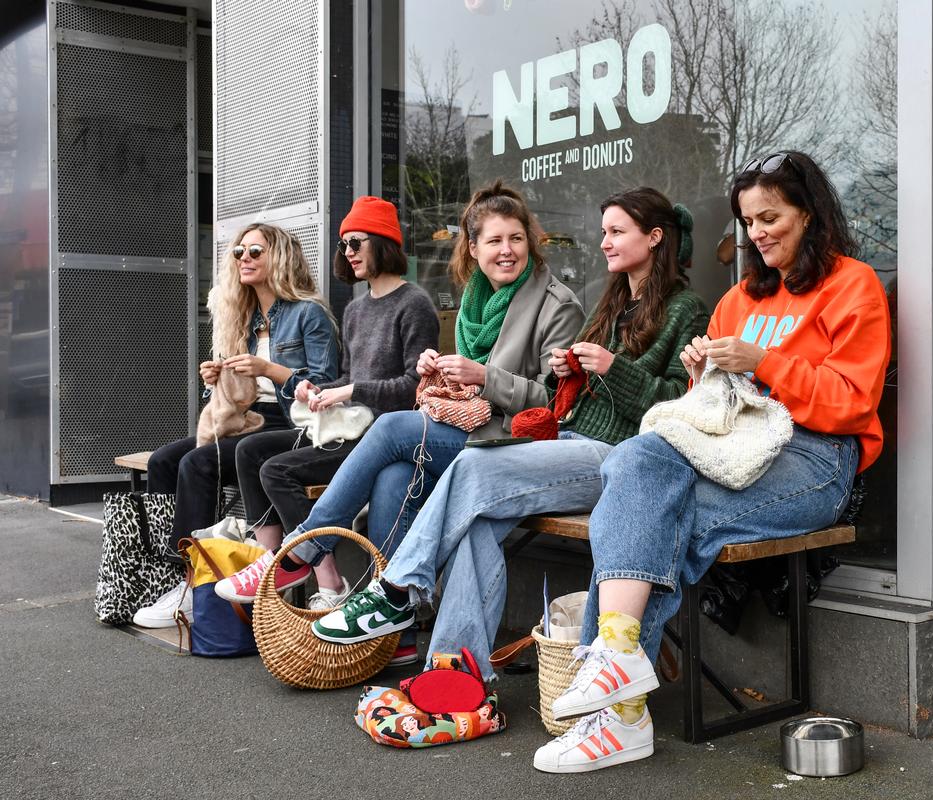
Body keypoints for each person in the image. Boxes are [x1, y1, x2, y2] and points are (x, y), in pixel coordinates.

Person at [530, 151, 891, 773]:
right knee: (640, 467)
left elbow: (852, 403)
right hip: (731, 449)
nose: (758, 233)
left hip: (816, 460)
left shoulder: (852, 284)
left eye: (771, 217)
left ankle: (617, 717)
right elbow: (703, 407)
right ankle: (617, 672)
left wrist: (763, 362)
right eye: (749, 221)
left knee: (639, 511)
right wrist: (702, 378)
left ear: (810, 214)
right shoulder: (740, 298)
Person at [306, 187, 710, 682]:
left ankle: (395, 591)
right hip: (569, 441)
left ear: (654, 238)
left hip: (622, 459)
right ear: (473, 248)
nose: (603, 242)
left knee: (461, 462)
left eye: (615, 232)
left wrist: (608, 368)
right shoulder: (613, 300)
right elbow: (570, 400)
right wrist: (572, 374)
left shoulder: (687, 308)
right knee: (470, 519)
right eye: (604, 232)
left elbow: (677, 404)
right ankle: (455, 675)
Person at [214, 182, 584, 628]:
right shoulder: (474, 299)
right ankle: (395, 626)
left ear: (530, 240)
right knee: (393, 476)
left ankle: (303, 549)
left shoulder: (556, 304)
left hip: (516, 445)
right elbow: (437, 384)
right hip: (469, 428)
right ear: (473, 247)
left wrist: (483, 377)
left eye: (516, 239)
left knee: (389, 431)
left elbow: (559, 405)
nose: (506, 251)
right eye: (494, 241)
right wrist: (441, 371)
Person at [231, 197, 439, 618]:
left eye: (357, 242)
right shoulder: (356, 308)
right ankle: (268, 558)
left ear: (384, 243)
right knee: (249, 450)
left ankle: (324, 576)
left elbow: (415, 387)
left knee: (277, 469)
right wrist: (316, 390)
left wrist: (348, 393)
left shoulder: (414, 303)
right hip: (343, 425)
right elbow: (346, 377)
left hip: (381, 434)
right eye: (343, 244)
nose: (348, 252)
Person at [134, 224, 339, 628]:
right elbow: (237, 393)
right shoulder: (242, 317)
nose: (244, 258)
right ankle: (172, 572)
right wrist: (216, 380)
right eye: (239, 252)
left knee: (196, 463)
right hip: (244, 422)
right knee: (162, 461)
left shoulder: (308, 313)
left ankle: (198, 583)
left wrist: (270, 369)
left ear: (278, 257)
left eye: (255, 252)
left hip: (287, 423)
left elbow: (326, 384)